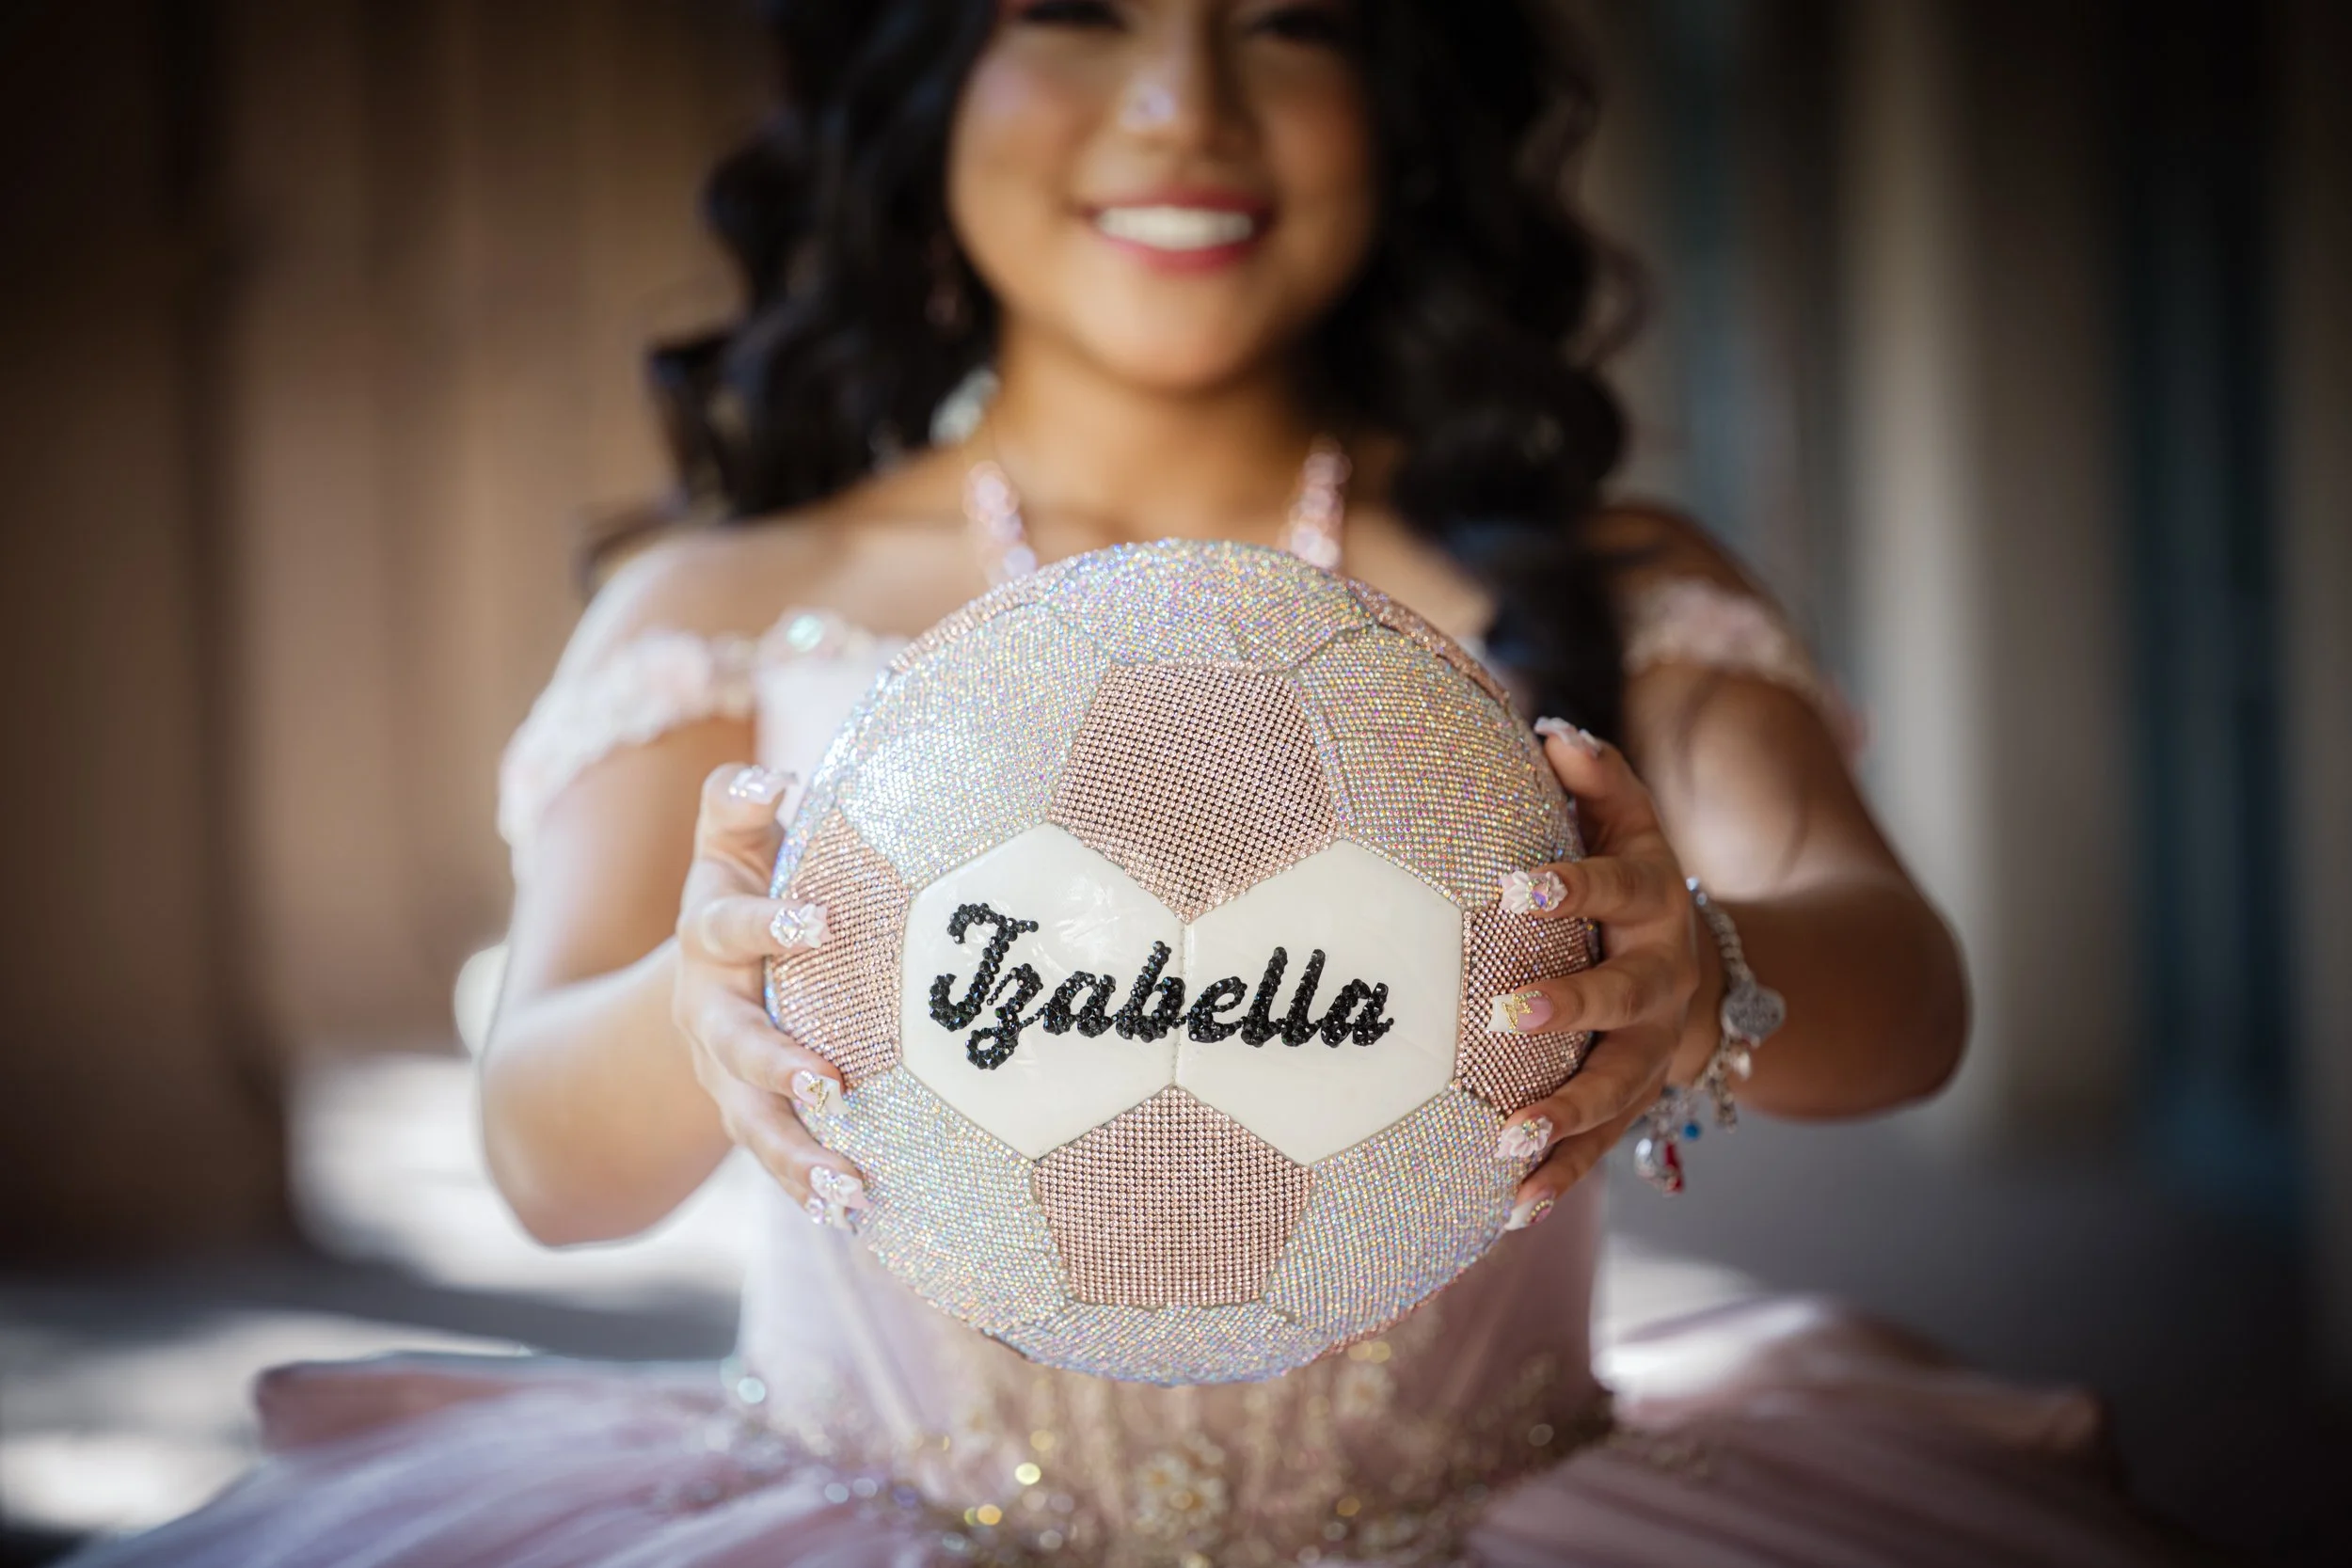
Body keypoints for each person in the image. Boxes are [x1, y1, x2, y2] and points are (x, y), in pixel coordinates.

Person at [77, 2, 2207, 1563]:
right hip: (856, 1493)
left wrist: (1701, 968)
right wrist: (695, 1019)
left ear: (1402, 96)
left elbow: (1906, 993)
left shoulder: (1601, 588)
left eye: (1283, 23)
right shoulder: (732, 602)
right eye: (1074, 13)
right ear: (922, 88)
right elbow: (543, 1156)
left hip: (1496, 1492)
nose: (1181, 104)